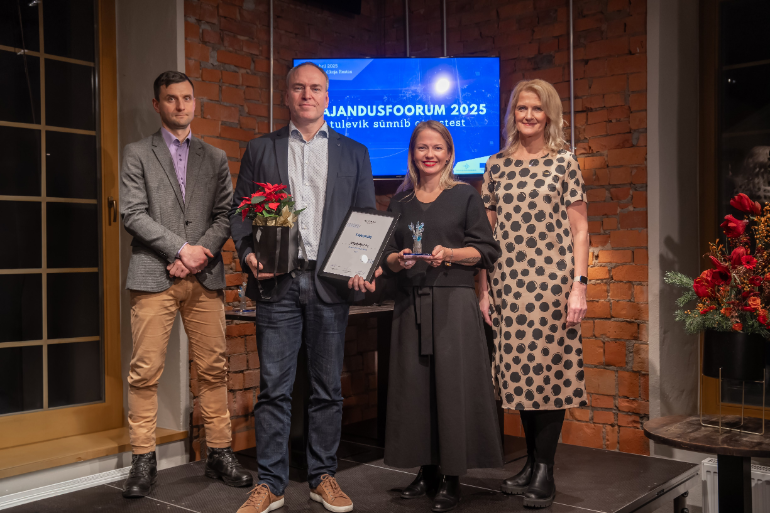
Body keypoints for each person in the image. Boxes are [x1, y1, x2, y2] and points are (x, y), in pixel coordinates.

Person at [230, 61, 380, 513]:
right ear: (287, 95)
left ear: (327, 97)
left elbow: (366, 218)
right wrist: (248, 254)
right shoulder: (261, 148)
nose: (307, 95)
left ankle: (323, 477)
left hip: (329, 283)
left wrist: (362, 264)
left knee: (326, 388)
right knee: (274, 389)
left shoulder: (355, 152)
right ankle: (271, 484)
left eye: (315, 88)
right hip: (277, 283)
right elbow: (240, 213)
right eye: (299, 87)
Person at [119, 71, 252, 498]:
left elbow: (226, 214)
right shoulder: (137, 153)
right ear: (157, 104)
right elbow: (133, 213)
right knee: (145, 371)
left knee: (213, 368)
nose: (181, 105)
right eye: (172, 98)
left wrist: (200, 253)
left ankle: (219, 452)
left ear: (195, 103)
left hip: (204, 277)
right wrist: (180, 250)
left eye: (187, 98)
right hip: (152, 275)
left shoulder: (215, 157)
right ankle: (143, 459)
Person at [381, 120, 503, 513]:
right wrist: (397, 260)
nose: (429, 154)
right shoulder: (400, 202)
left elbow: (486, 250)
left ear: (449, 153)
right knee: (415, 391)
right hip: (410, 304)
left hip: (453, 304)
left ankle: (452, 477)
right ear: (412, 153)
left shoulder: (464, 196)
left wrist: (449, 254)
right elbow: (385, 254)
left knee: (452, 390)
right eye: (422, 147)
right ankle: (427, 471)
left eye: (437, 147)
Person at [479, 79, 589, 508]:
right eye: (522, 108)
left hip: (550, 284)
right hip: (507, 283)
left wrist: (579, 287)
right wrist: (483, 289)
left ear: (549, 115)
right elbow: (485, 235)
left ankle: (545, 469)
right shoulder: (496, 165)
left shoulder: (564, 162)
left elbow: (580, 231)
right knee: (521, 374)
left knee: (548, 373)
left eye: (536, 109)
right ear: (513, 113)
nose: (528, 115)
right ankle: (530, 464)